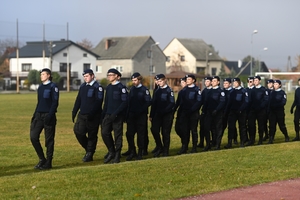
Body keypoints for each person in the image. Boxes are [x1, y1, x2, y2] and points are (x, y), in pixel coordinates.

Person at [30, 68, 59, 170]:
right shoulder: (41, 87)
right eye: (41, 74)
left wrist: (50, 115)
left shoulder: (53, 87)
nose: (41, 76)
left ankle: (49, 162)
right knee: (33, 137)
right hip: (39, 115)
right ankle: (42, 159)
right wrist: (34, 115)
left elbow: (55, 102)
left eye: (43, 74)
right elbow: (40, 102)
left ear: (48, 75)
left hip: (48, 116)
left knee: (49, 140)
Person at [72, 69, 104, 162]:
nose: (85, 78)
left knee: (92, 135)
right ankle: (88, 149)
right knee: (78, 131)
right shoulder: (83, 87)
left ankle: (90, 153)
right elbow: (79, 99)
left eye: (87, 76)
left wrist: (92, 113)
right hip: (82, 114)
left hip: (93, 116)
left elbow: (99, 101)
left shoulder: (98, 87)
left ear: (92, 76)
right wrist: (74, 111)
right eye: (84, 76)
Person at [101, 68, 128, 164]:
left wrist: (116, 113)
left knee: (118, 135)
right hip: (108, 114)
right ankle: (111, 151)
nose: (109, 76)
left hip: (117, 116)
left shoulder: (122, 88)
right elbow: (106, 102)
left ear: (117, 76)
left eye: (111, 75)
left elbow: (125, 102)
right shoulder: (108, 87)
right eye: (108, 75)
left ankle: (117, 154)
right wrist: (103, 114)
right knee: (105, 133)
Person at [124, 72, 151, 161]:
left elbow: (148, 102)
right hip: (132, 115)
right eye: (132, 80)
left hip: (141, 116)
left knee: (141, 134)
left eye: (135, 80)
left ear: (139, 80)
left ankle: (140, 152)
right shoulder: (132, 90)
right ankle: (132, 151)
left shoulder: (144, 90)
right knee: (129, 134)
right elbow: (129, 102)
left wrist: (141, 110)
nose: (134, 82)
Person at [149, 74, 175, 157]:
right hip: (158, 115)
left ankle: (165, 151)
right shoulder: (157, 91)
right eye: (158, 81)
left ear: (165, 80)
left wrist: (164, 111)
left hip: (167, 115)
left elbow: (171, 103)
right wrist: (151, 115)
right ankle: (159, 146)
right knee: (154, 130)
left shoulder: (169, 90)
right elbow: (154, 104)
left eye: (160, 81)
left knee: (165, 133)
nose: (159, 83)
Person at [178, 74, 202, 154]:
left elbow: (199, 101)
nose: (187, 80)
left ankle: (194, 147)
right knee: (185, 131)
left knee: (193, 130)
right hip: (185, 113)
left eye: (188, 79)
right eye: (186, 79)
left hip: (193, 113)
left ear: (193, 80)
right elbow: (181, 102)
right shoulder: (184, 90)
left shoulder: (196, 89)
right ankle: (184, 147)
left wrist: (192, 110)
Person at [202, 76, 226, 150]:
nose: (213, 82)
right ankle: (208, 144)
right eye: (212, 81)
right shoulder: (209, 91)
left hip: (217, 113)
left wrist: (217, 110)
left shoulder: (221, 91)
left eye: (215, 81)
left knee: (218, 129)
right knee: (207, 128)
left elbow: (222, 102)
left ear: (218, 82)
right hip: (209, 112)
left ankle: (217, 145)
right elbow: (206, 102)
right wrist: (203, 110)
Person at [225, 78, 248, 148]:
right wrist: (226, 111)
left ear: (239, 83)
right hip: (233, 112)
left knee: (242, 127)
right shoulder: (232, 91)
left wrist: (241, 109)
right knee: (231, 127)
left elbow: (246, 101)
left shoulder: (243, 91)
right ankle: (230, 142)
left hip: (241, 112)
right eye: (233, 82)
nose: (234, 84)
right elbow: (229, 102)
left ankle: (242, 142)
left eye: (235, 82)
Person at [247, 75, 269, 145]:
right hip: (252, 110)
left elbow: (266, 100)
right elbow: (249, 100)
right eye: (254, 80)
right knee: (251, 125)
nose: (255, 82)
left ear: (259, 81)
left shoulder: (263, 90)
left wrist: (260, 106)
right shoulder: (252, 90)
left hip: (261, 110)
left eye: (256, 80)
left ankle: (260, 140)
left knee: (261, 125)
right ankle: (252, 140)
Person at [197, 76, 212, 148]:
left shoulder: (212, 91)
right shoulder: (204, 91)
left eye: (208, 81)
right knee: (202, 128)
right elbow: (201, 101)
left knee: (208, 128)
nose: (206, 83)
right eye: (205, 82)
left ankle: (209, 143)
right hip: (204, 111)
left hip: (210, 112)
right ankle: (201, 142)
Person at [222, 78, 237, 145]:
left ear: (230, 84)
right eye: (224, 83)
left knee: (231, 126)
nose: (225, 85)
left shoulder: (233, 92)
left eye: (226, 83)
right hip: (224, 111)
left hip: (231, 112)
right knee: (222, 126)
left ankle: (233, 140)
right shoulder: (222, 91)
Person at [174, 77, 187, 145]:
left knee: (184, 129)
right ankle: (184, 140)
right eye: (181, 83)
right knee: (177, 128)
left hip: (186, 112)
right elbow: (178, 102)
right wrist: (174, 109)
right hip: (180, 111)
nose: (182, 84)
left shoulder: (189, 91)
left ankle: (185, 144)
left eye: (183, 82)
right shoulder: (181, 92)